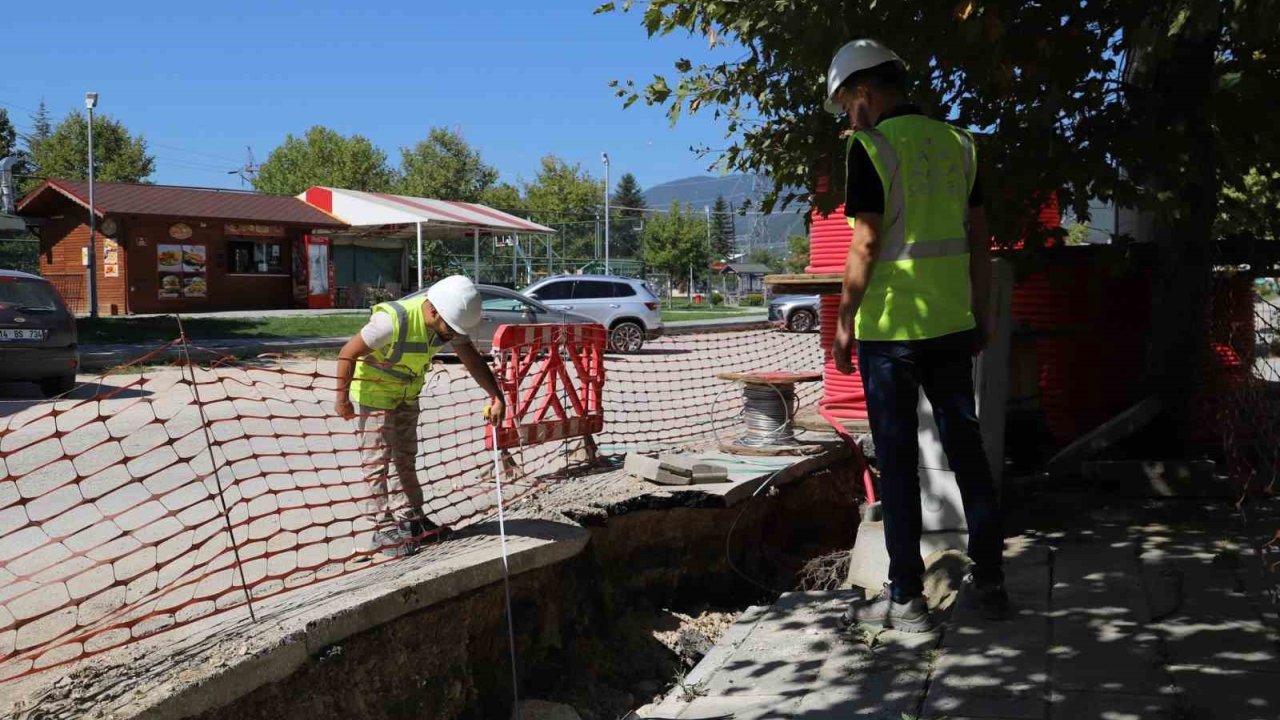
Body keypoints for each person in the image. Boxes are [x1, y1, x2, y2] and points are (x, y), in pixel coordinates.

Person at [826, 39, 1008, 631]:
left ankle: (906, 599)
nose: (848, 115)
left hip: (891, 333)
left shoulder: (870, 148)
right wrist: (982, 313)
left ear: (862, 94)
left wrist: (845, 321)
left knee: (898, 461)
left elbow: (867, 242)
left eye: (847, 103)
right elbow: (979, 240)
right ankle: (993, 583)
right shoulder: (960, 145)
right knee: (968, 454)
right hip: (953, 324)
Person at [334, 275, 505, 557]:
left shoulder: (446, 321)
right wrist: (342, 399)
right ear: (433, 310)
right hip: (375, 397)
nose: (452, 335)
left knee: (406, 458)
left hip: (405, 396)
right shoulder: (392, 322)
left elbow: (472, 359)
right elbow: (347, 353)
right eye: (450, 328)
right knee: (377, 463)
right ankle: (382, 528)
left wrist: (496, 396)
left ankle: (410, 519)